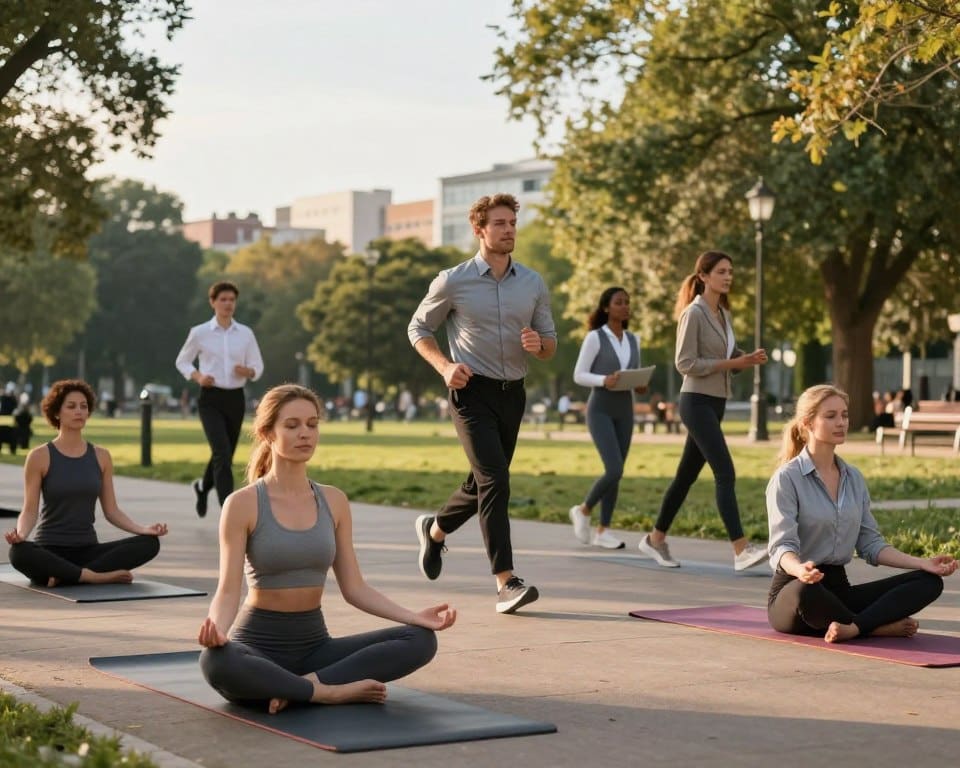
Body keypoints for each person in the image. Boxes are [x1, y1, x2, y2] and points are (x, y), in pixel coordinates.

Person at [197, 384, 455, 712]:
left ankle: (304, 685)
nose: (305, 433)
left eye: (312, 424)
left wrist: (413, 617)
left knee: (420, 640)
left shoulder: (334, 501)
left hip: (316, 647)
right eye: (292, 426)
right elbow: (228, 590)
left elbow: (355, 588)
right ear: (267, 433)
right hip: (259, 647)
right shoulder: (242, 504)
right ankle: (327, 691)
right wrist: (217, 631)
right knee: (215, 661)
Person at [407, 193, 557, 614]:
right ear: (479, 229)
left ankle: (435, 530)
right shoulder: (452, 280)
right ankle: (506, 582)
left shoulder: (532, 282)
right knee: (495, 482)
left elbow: (549, 344)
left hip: (514, 393)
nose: (509, 229)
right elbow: (418, 328)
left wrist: (538, 345)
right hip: (470, 391)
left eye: (512, 222)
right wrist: (443, 366)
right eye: (499, 223)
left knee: (482, 483)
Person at [766, 384, 956, 642]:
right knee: (807, 591)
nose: (841, 422)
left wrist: (922, 562)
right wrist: (800, 569)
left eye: (844, 415)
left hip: (838, 590)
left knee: (929, 582)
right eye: (830, 416)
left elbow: (870, 544)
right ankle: (873, 626)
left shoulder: (853, 477)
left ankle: (855, 627)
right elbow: (781, 547)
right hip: (795, 591)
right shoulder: (787, 479)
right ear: (808, 423)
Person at [638, 250, 768, 571]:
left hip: (716, 402)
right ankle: (740, 549)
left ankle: (655, 539)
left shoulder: (723, 313)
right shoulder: (693, 313)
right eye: (721, 271)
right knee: (725, 472)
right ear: (704, 277)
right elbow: (685, 363)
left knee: (685, 478)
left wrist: (745, 359)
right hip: (695, 402)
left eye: (730, 271)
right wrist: (731, 362)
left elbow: (725, 356)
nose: (728, 277)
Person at [4, 379, 167, 587]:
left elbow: (112, 511)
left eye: (83, 406)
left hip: (88, 551)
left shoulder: (101, 456)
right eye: (71, 406)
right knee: (19, 553)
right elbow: (29, 511)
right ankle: (92, 577)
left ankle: (65, 575)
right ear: (56, 412)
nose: (79, 411)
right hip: (49, 550)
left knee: (149, 544)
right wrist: (21, 535)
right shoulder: (39, 456)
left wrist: (143, 529)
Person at [176, 280, 264, 518]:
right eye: (223, 299)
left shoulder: (245, 334)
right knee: (222, 454)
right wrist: (197, 376)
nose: (228, 304)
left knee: (224, 455)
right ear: (213, 302)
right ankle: (230, 512)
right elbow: (182, 361)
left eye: (232, 300)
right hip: (210, 399)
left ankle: (202, 488)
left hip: (235, 398)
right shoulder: (200, 332)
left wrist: (247, 371)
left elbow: (258, 366)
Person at [568, 286, 645, 549]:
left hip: (625, 410)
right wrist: (604, 380)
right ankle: (584, 510)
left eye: (627, 302)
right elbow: (579, 374)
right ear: (606, 308)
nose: (625, 306)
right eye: (619, 302)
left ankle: (603, 530)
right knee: (614, 469)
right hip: (600, 408)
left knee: (616, 474)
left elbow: (632, 373)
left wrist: (641, 384)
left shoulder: (634, 339)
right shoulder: (595, 338)